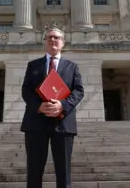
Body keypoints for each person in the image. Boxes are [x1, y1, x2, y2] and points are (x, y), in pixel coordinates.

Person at [20, 27, 84, 188]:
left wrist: (62, 105)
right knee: (34, 172)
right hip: (35, 123)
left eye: (57, 37)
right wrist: (39, 106)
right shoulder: (33, 65)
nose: (53, 40)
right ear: (45, 42)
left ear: (63, 43)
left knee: (64, 173)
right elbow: (26, 90)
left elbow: (79, 91)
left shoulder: (72, 67)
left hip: (63, 124)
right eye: (49, 37)